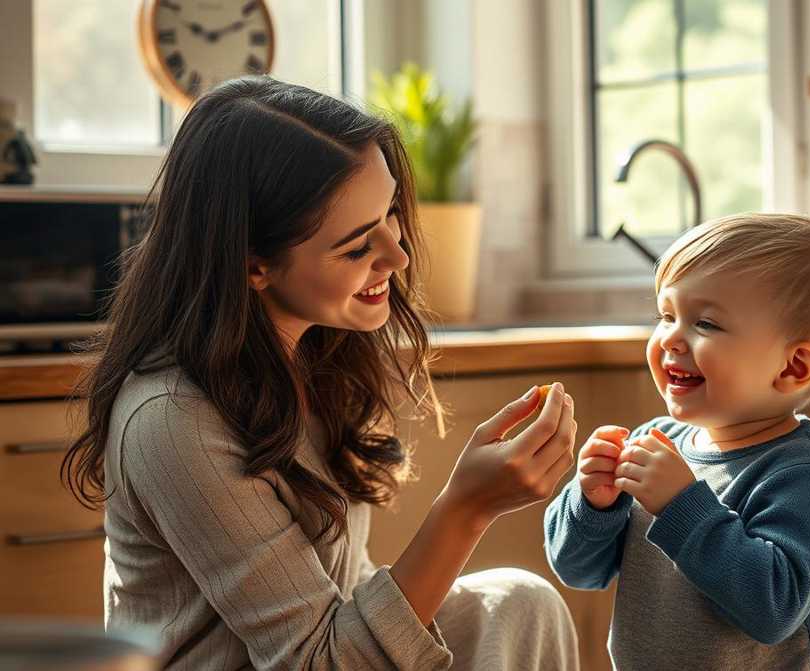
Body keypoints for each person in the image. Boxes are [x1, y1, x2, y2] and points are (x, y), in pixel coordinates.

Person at [61, 76, 580, 671]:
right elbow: (317, 663)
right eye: (358, 247)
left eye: (390, 214)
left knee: (520, 602)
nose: (399, 255)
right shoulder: (171, 422)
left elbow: (344, 599)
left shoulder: (308, 361)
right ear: (256, 266)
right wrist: (466, 508)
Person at [544, 213, 810, 670]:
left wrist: (683, 504)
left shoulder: (798, 473)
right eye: (667, 315)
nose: (671, 339)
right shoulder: (654, 442)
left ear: (792, 368)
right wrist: (593, 506)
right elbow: (579, 571)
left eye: (706, 324)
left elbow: (774, 609)